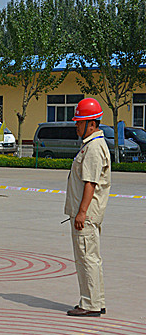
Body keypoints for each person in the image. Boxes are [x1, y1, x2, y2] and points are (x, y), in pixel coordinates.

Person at [64, 97, 110, 317]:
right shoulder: (93, 145)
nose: (77, 126)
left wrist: (81, 212)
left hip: (87, 214)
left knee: (86, 258)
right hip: (88, 213)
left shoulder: (93, 148)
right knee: (91, 257)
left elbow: (90, 183)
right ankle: (96, 301)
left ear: (92, 124)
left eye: (80, 122)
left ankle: (90, 304)